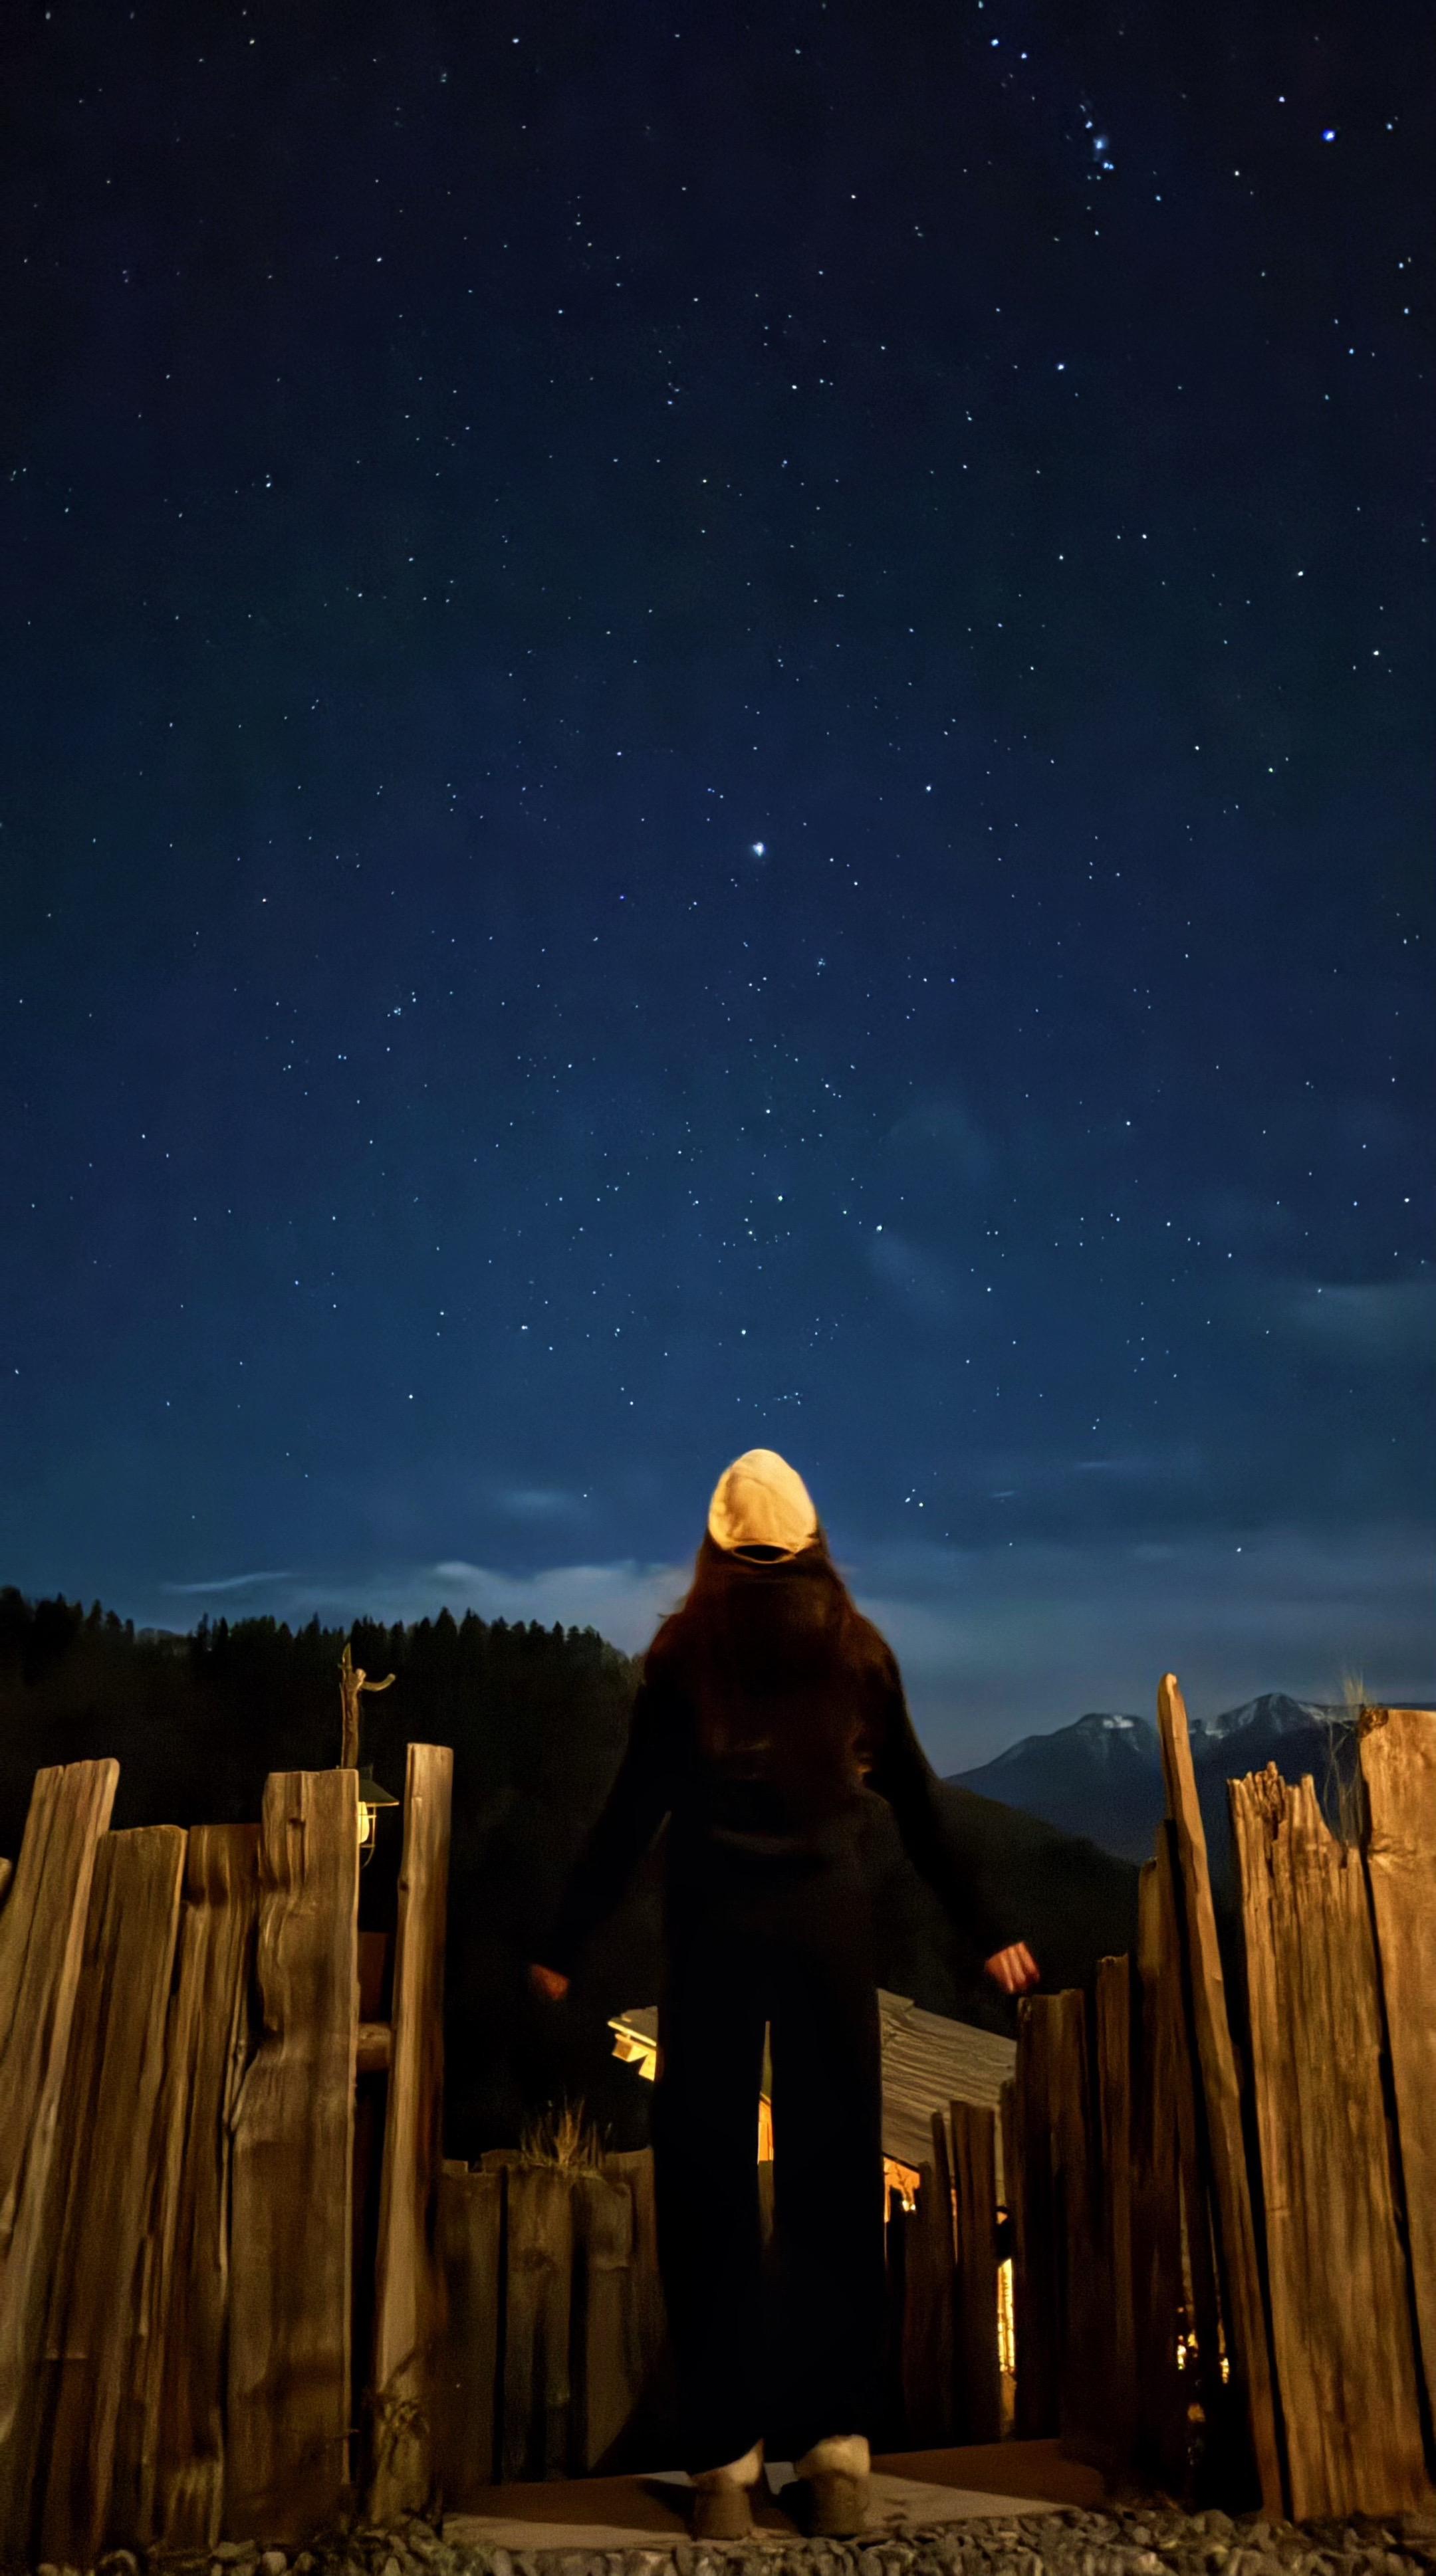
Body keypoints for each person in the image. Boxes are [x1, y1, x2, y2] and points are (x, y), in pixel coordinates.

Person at [529, 1449, 1038, 2539]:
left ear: (717, 1547)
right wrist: (990, 1927)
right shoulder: (855, 1653)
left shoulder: (682, 1659)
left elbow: (630, 1816)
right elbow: (920, 1801)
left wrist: (562, 1940)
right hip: (827, 1937)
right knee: (832, 2186)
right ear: (812, 1543)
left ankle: (724, 2471)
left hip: (712, 1944)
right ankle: (836, 2457)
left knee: (706, 2185)